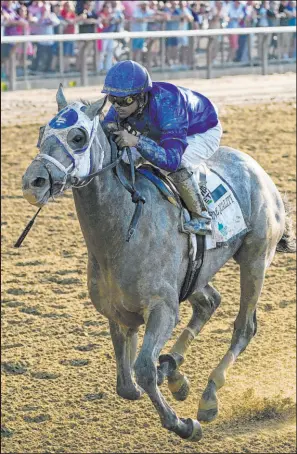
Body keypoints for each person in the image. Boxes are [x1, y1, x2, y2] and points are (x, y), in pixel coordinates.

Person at [101, 60, 223, 235]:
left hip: (200, 131)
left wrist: (137, 141)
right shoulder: (122, 105)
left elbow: (171, 161)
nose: (117, 106)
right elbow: (107, 127)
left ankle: (202, 217)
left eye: (124, 100)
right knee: (122, 158)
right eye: (112, 99)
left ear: (140, 96)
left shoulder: (168, 104)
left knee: (181, 162)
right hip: (159, 131)